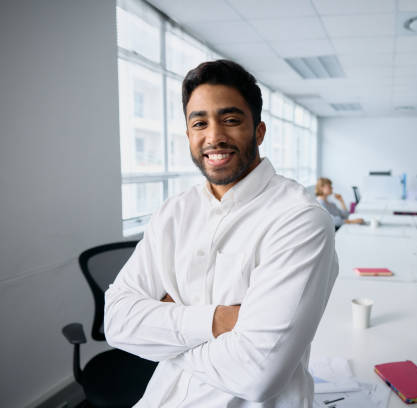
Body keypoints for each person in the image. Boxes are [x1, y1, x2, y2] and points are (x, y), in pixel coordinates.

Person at [104, 60, 338, 406]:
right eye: (200, 123)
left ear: (258, 131)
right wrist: (218, 320)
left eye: (231, 120)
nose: (214, 136)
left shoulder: (300, 219)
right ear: (188, 135)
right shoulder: (173, 213)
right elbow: (117, 321)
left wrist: (163, 334)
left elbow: (257, 373)